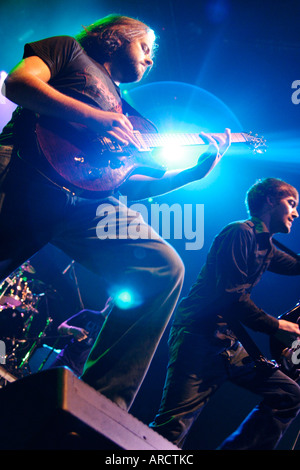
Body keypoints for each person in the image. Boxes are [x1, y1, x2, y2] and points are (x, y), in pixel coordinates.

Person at [0, 14, 231, 411]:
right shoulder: (67, 50)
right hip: (22, 170)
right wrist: (92, 116)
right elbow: (18, 83)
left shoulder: (132, 117)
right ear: (116, 37)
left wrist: (192, 173)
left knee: (162, 269)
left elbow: (129, 185)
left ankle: (101, 406)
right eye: (146, 47)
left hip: (85, 206)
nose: (151, 59)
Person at [150, 177, 300, 449]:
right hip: (199, 337)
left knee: (289, 394)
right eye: (291, 203)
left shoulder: (265, 246)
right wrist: (278, 326)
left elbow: (295, 266)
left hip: (228, 345)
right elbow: (232, 298)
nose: (296, 212)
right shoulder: (239, 233)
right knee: (173, 427)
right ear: (270, 200)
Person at [50, 297, 114, 377]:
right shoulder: (88, 314)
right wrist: (72, 329)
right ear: (109, 300)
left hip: (80, 372)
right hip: (64, 360)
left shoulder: (109, 330)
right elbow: (60, 327)